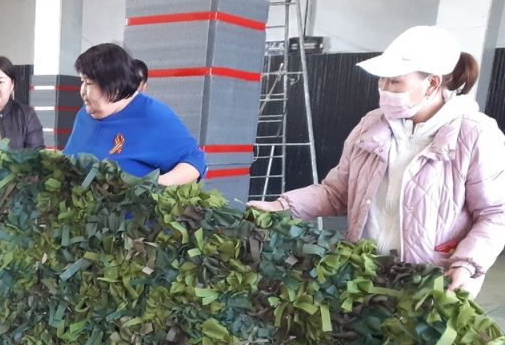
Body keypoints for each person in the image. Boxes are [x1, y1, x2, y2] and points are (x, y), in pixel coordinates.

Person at [247, 26, 505, 297]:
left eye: (395, 82)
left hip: (431, 285)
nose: (384, 89)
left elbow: (495, 214)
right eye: (382, 80)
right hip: (365, 276)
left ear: (432, 84)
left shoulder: (475, 135)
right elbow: (336, 192)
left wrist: (466, 264)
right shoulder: (372, 125)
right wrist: (282, 206)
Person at [63, 43, 205, 186]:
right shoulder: (84, 115)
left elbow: (195, 160)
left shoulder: (152, 116)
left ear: (115, 86)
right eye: (82, 81)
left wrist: (154, 185)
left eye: (89, 83)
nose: (82, 91)